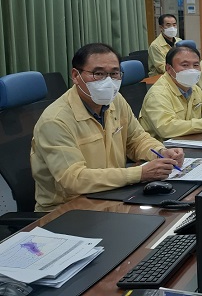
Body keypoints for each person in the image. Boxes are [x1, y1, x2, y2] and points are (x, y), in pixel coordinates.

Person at [31, 43, 184, 212]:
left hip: (111, 194)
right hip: (67, 210)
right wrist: (139, 174)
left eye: (114, 74)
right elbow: (74, 179)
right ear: (75, 75)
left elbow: (136, 139)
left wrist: (160, 151)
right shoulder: (55, 120)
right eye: (98, 74)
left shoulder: (115, 100)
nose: (108, 81)